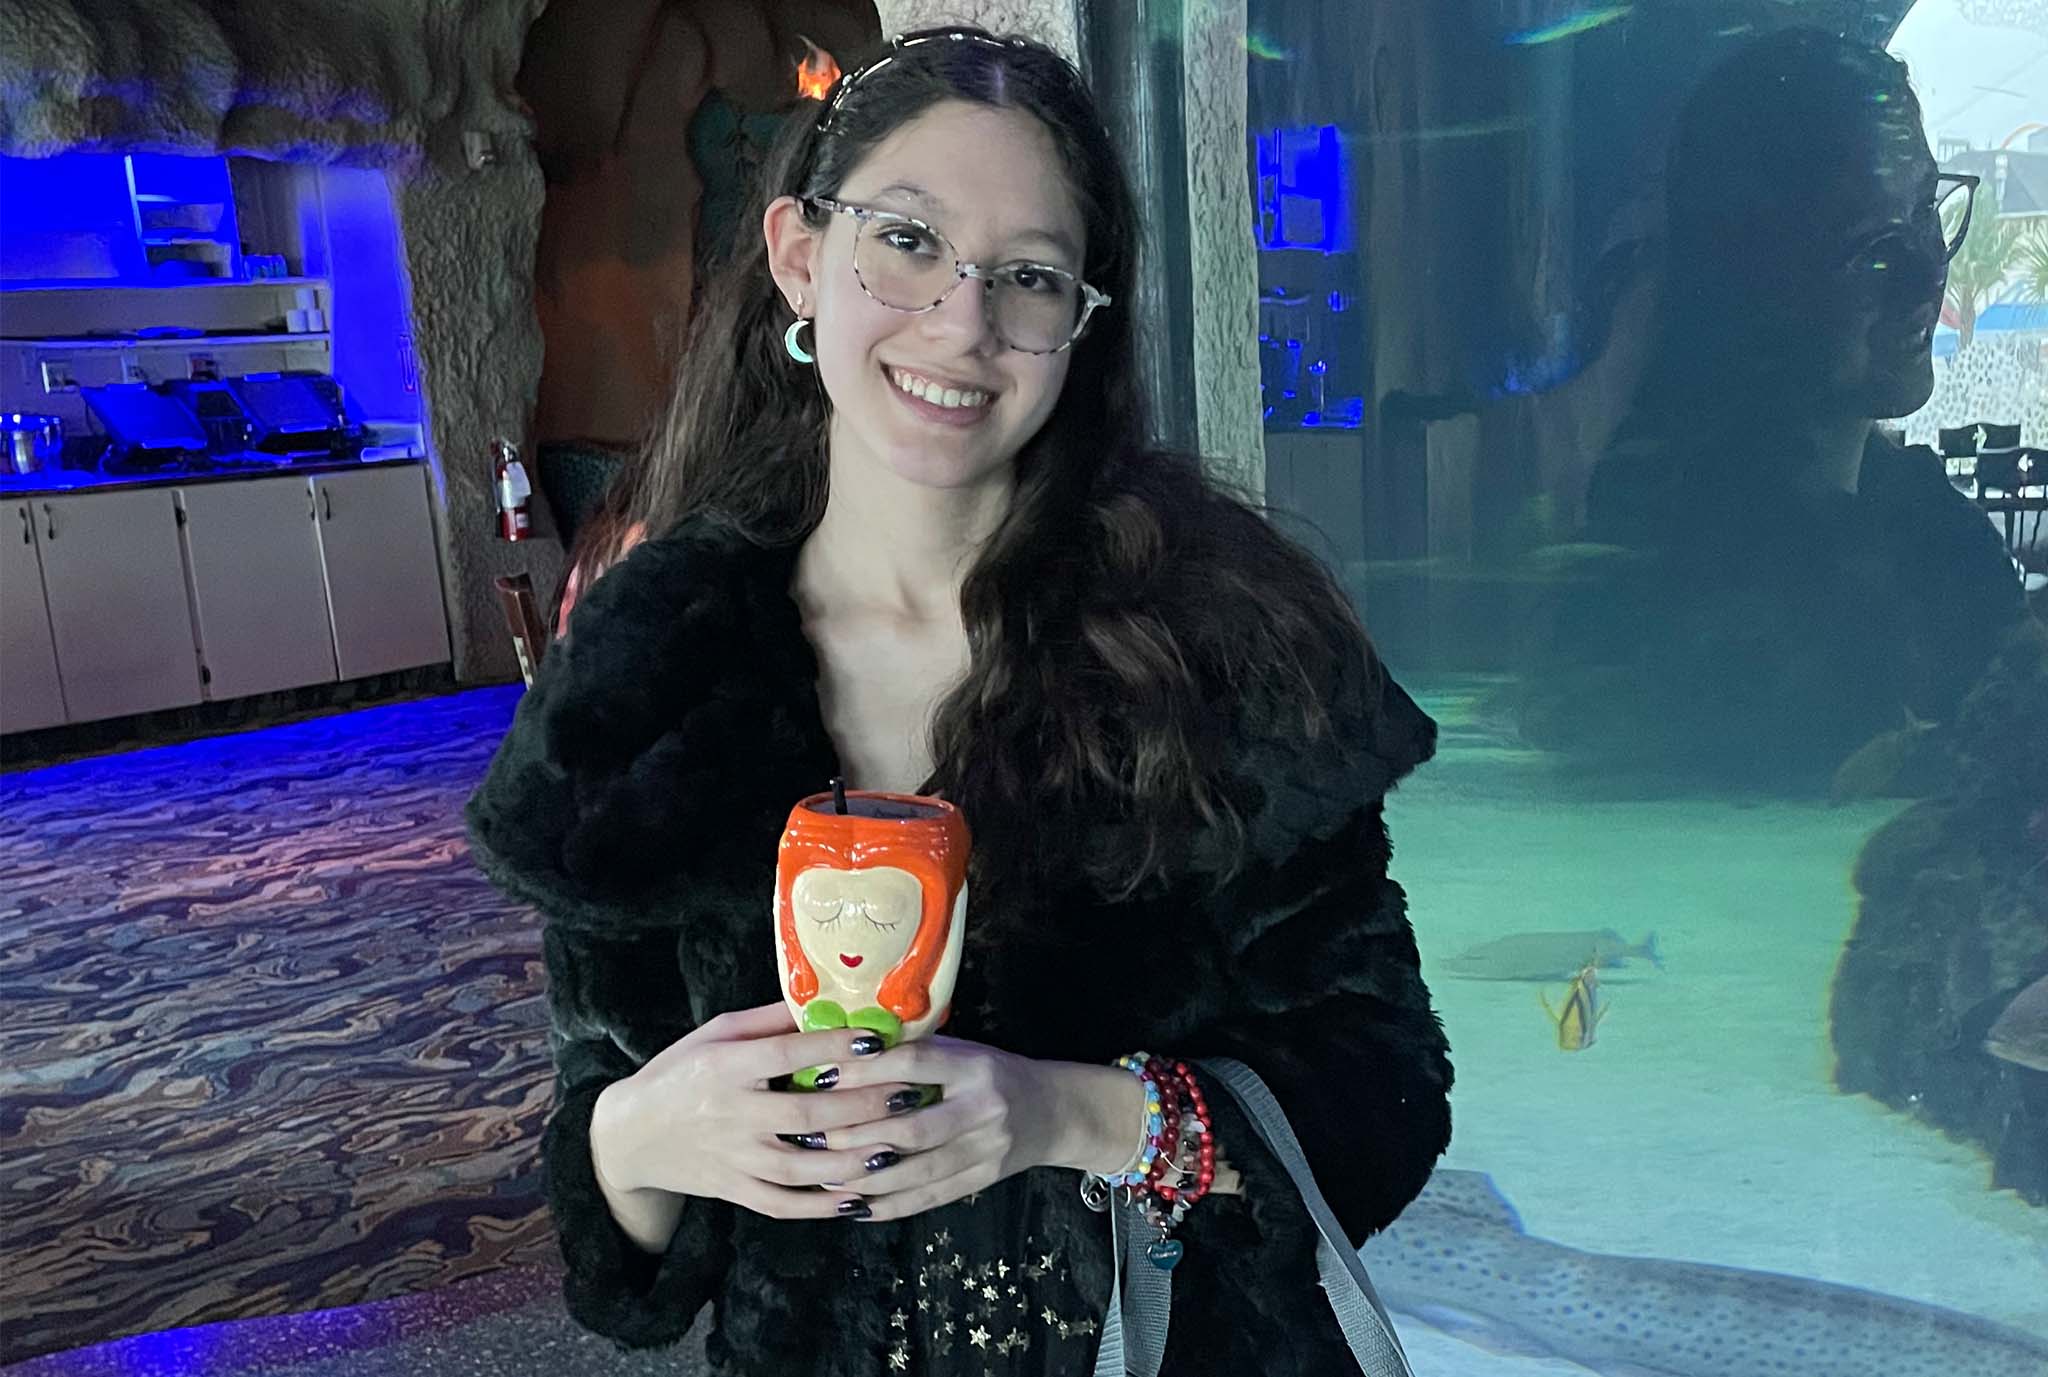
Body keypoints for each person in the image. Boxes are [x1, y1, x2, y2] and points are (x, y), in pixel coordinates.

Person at [466, 26, 1452, 1376]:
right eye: (909, 241)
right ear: (800, 254)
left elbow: (1381, 1104)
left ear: (1081, 325)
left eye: (1030, 276)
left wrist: (1068, 1115)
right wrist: (641, 1135)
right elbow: (626, 1276)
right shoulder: (656, 671)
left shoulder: (1222, 647)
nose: (964, 321)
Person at [1515, 28, 2031, 793]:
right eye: (1872, 246)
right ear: (1747, 272)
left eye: (1928, 211)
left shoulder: (1926, 528)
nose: (1930, 276)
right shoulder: (1701, 577)